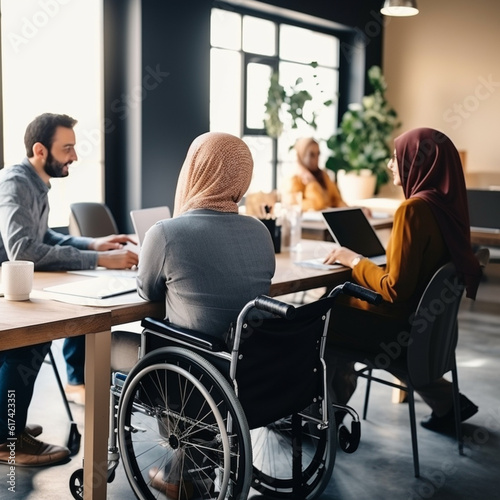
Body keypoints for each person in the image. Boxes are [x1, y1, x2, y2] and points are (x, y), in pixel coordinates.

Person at [136, 131, 276, 495]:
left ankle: (176, 474)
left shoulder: (166, 232)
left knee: (112, 349)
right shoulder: (261, 232)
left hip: (192, 374)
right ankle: (189, 466)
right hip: (253, 369)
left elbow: (147, 292)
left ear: (195, 169)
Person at [0, 113, 138, 466]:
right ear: (40, 149)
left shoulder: (36, 183)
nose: (74, 156)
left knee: (33, 340)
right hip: (7, 288)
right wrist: (100, 262)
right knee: (28, 341)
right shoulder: (15, 182)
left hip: (13, 284)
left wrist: (93, 245)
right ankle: (5, 438)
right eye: (68, 148)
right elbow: (24, 250)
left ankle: (5, 424)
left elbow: (44, 237)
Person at [323, 127, 481, 432]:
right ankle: (447, 402)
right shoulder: (447, 208)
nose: (389, 164)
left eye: (397, 157)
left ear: (417, 163)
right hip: (431, 331)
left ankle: (321, 418)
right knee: (338, 306)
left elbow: (393, 289)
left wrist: (352, 259)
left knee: (325, 317)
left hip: (400, 333)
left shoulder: (413, 210)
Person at [288, 137, 348, 212]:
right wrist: (312, 183)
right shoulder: (294, 180)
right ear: (302, 156)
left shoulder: (324, 176)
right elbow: (315, 205)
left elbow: (336, 199)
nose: (316, 158)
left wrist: (347, 209)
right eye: (311, 155)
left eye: (318, 154)